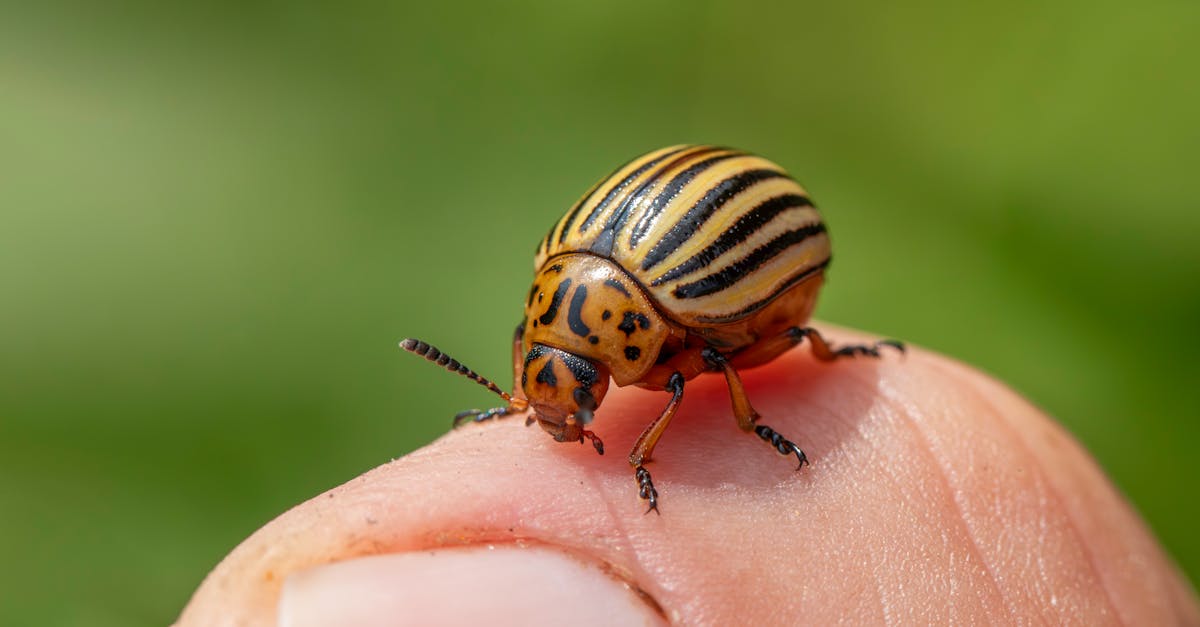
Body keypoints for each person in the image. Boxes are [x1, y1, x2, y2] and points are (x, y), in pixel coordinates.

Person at [177, 326, 1199, 625]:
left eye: (560, 395)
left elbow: (716, 360)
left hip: (729, 287)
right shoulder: (598, 335)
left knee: (707, 370)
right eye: (541, 397)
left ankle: (761, 428)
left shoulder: (668, 351)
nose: (559, 421)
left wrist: (673, 451)